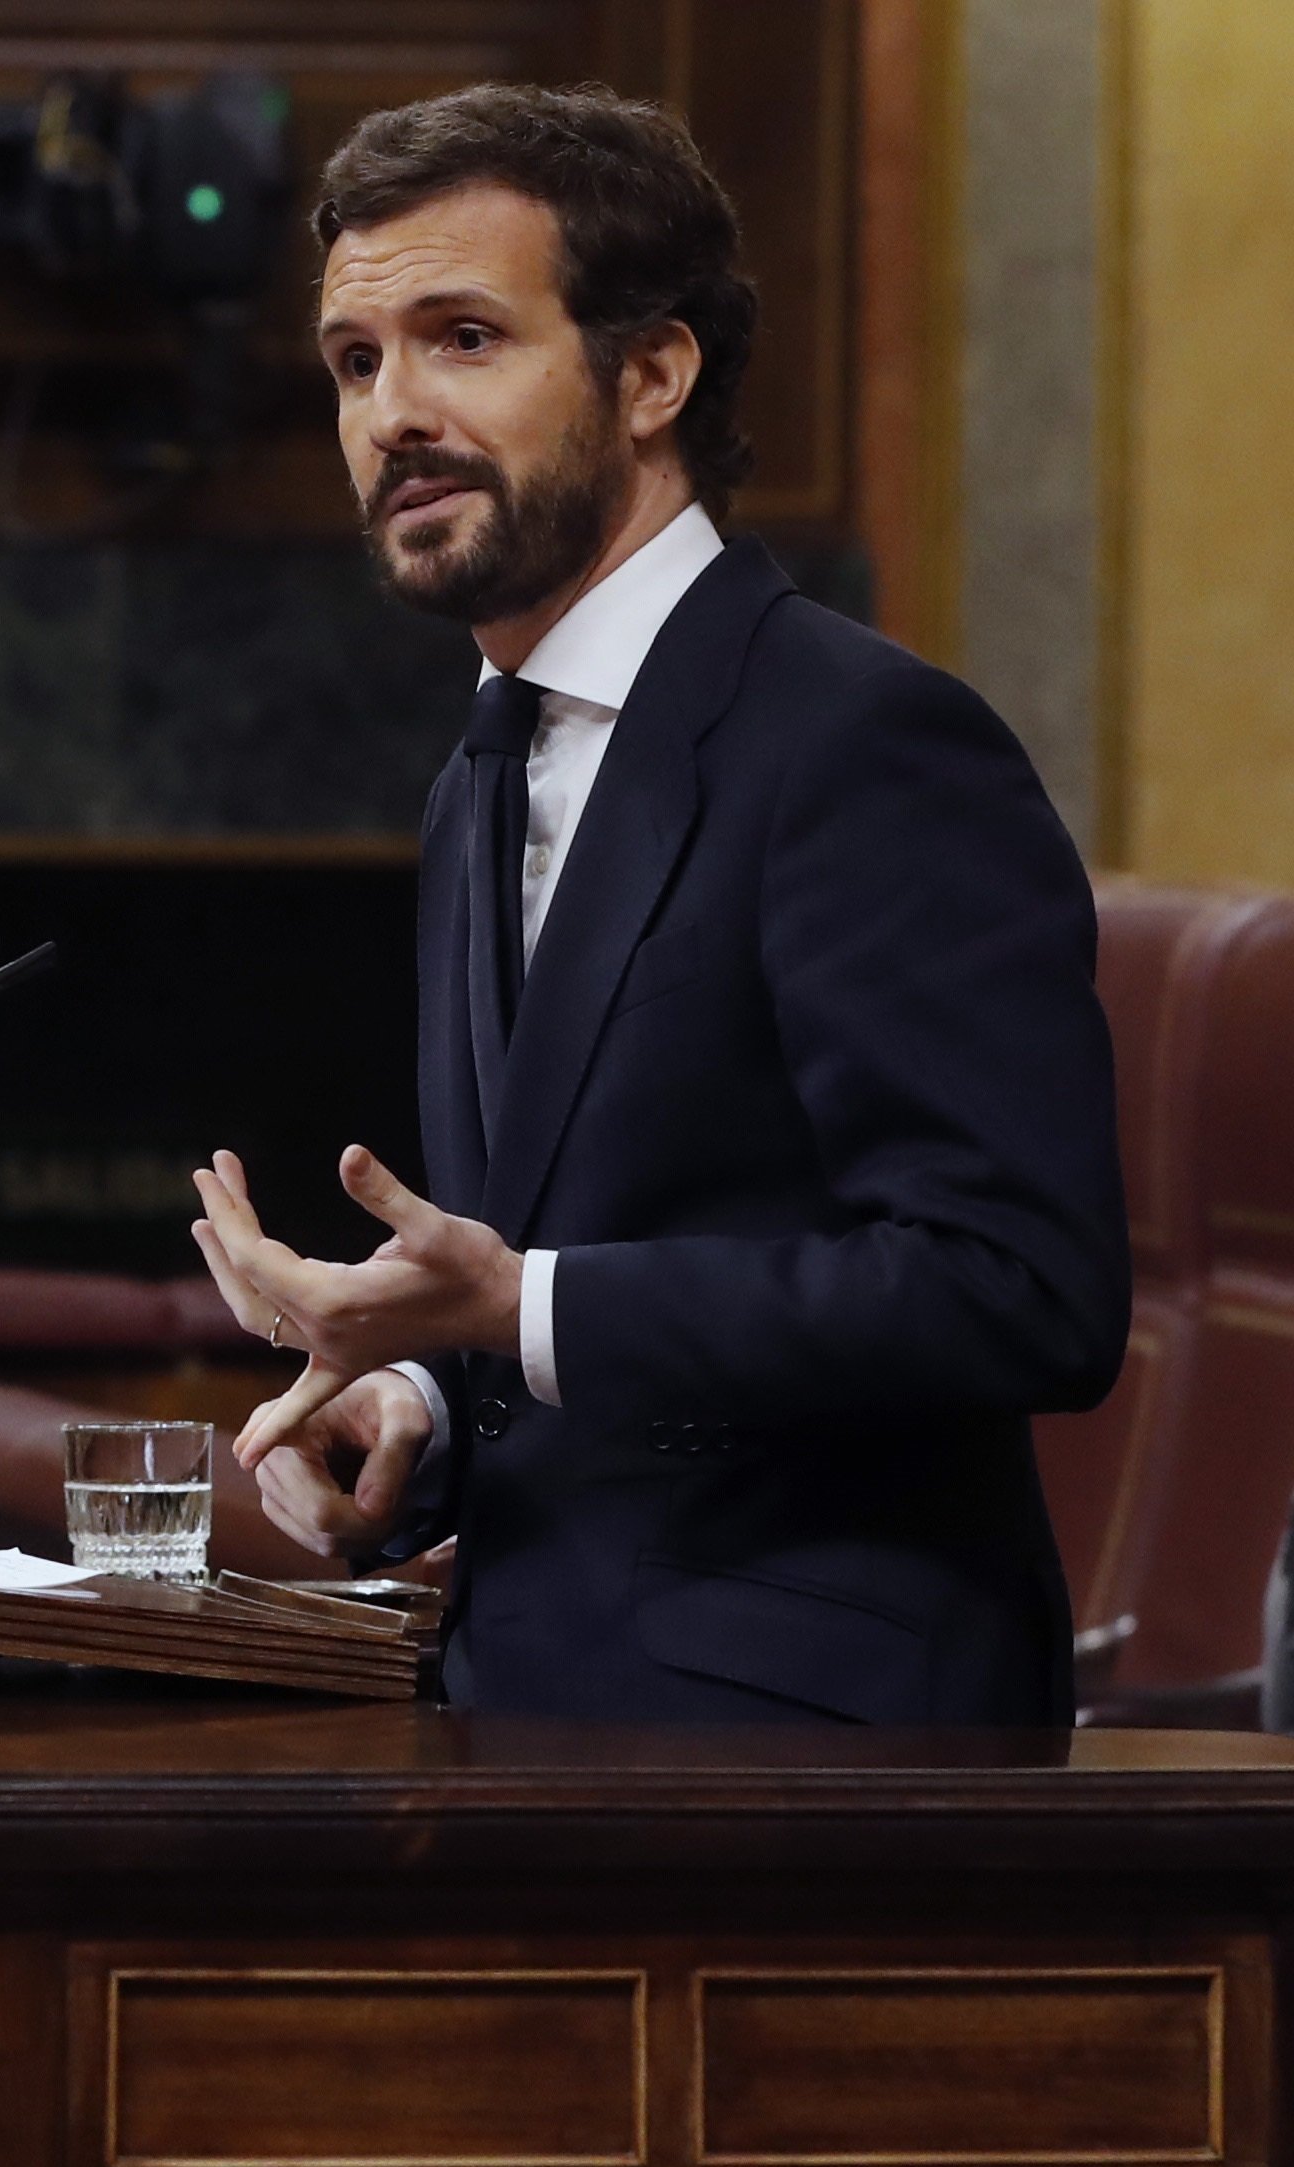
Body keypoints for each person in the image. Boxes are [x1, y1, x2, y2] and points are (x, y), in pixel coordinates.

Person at [187, 83, 1126, 1725]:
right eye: (355, 360)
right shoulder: (483, 767)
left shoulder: (862, 741)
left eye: (463, 338)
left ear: (654, 373)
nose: (393, 410)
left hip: (816, 1760)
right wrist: (420, 1397)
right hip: (529, 1723)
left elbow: (1019, 1288)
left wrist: (518, 1308)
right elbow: (557, 1248)